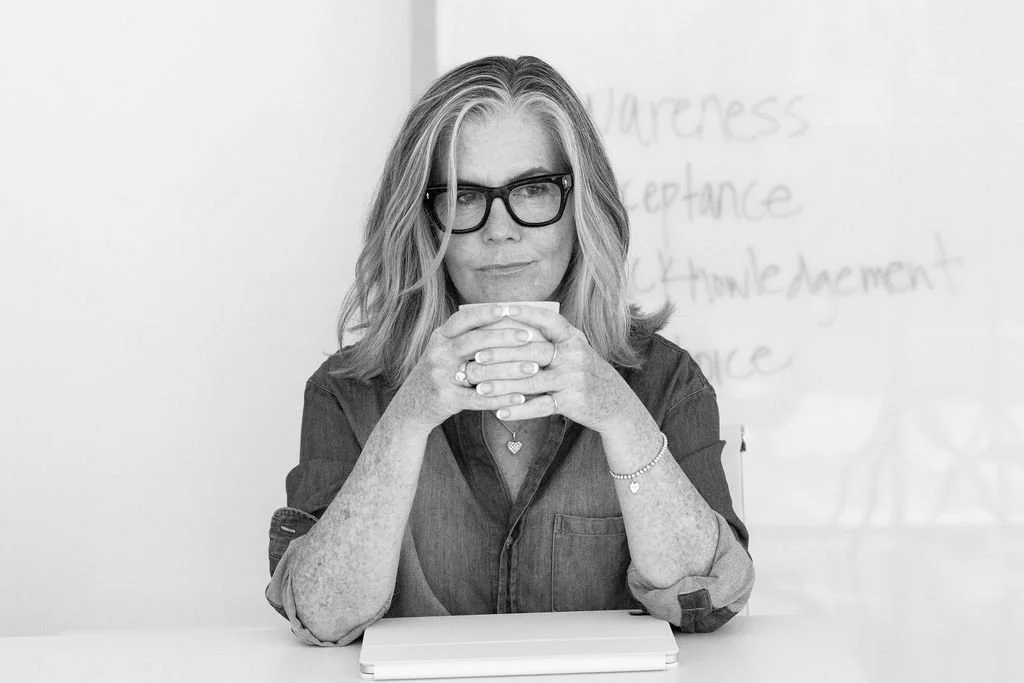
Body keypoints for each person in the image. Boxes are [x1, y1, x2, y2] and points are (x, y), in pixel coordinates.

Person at [265, 55, 754, 646]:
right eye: (465, 197)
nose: (501, 229)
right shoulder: (346, 392)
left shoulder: (666, 381)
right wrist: (406, 421)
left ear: (582, 208)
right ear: (423, 220)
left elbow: (704, 604)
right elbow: (321, 617)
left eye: (533, 189)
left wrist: (621, 417)